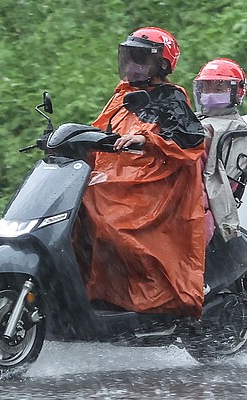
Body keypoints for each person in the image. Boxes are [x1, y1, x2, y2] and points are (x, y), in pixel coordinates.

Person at [74, 27, 207, 318]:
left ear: (161, 65)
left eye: (140, 61)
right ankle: (93, 292)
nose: (132, 68)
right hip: (119, 177)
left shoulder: (170, 99)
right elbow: (99, 132)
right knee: (76, 209)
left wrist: (148, 141)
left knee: (112, 221)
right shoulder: (122, 96)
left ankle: (147, 294)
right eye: (129, 60)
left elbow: (190, 141)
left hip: (156, 186)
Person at [193, 58, 247, 242]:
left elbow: (228, 181)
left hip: (201, 193)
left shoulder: (235, 128)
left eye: (218, 89)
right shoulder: (199, 120)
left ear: (237, 91)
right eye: (207, 88)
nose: (211, 93)